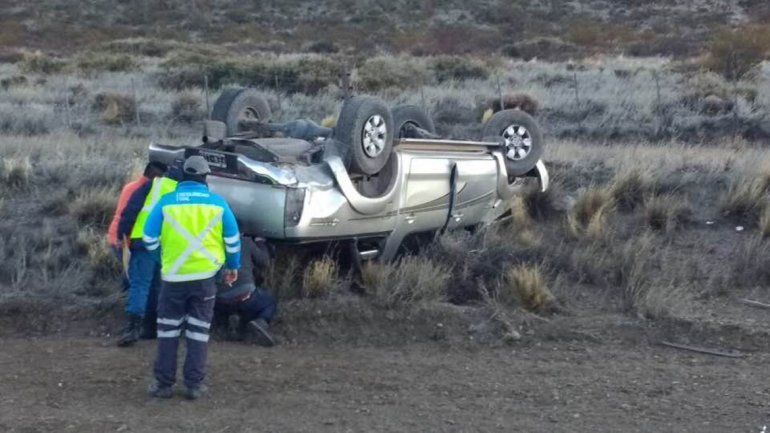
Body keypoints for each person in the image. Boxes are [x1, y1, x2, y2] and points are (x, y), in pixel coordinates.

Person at [143, 155, 241, 400]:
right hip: (205, 280)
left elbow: (148, 238)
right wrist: (232, 267)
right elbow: (232, 241)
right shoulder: (218, 204)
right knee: (198, 333)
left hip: (172, 279)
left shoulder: (166, 203)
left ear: (183, 176)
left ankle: (163, 385)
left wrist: (162, 260)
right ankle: (194, 385)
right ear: (205, 177)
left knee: (168, 332)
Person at [115, 164, 180, 347]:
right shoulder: (181, 191)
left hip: (142, 240)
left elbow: (131, 209)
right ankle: (153, 328)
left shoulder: (154, 184)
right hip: (167, 245)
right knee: (159, 286)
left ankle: (133, 328)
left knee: (140, 285)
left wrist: (123, 234)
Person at [107, 162, 166, 288]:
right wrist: (125, 238)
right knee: (136, 280)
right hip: (126, 239)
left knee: (130, 275)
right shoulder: (145, 191)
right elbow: (131, 216)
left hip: (116, 235)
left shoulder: (130, 186)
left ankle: (121, 300)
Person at [215, 236, 277, 347]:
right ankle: (260, 323)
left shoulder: (212, 243)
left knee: (221, 302)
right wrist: (260, 242)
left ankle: (227, 324)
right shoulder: (245, 241)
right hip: (244, 295)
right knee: (269, 302)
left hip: (219, 299)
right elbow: (264, 261)